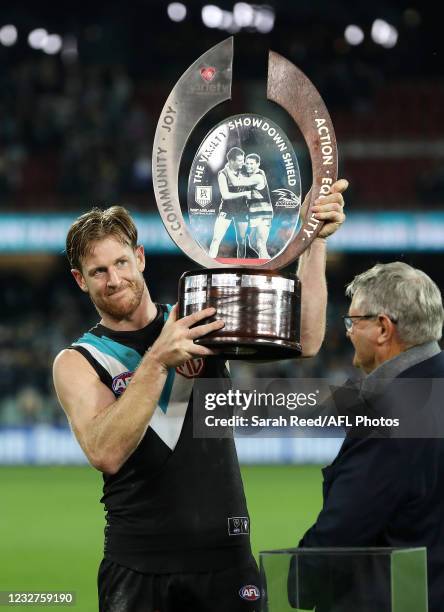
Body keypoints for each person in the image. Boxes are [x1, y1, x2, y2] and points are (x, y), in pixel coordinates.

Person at [52, 178, 347, 612]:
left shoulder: (201, 313)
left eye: (120, 262)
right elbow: (106, 452)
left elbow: (304, 339)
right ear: (80, 280)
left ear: (140, 258)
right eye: (98, 271)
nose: (114, 280)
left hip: (225, 557)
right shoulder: (78, 360)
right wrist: (156, 362)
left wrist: (314, 241)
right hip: (136, 565)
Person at [298, 262, 444, 612]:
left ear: (382, 328)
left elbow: (344, 532)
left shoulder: (388, 414)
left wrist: (295, 581)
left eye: (353, 322)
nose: (347, 332)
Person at [225, 153, 273, 259]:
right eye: (247, 163)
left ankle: (267, 270)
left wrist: (227, 169)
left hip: (263, 214)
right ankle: (268, 259)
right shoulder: (251, 175)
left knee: (260, 244)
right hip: (254, 215)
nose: (249, 166)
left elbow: (236, 183)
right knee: (253, 244)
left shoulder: (258, 177)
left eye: (252, 163)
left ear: (258, 164)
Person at [208, 147, 251, 259]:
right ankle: (210, 262)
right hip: (227, 209)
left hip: (242, 208)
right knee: (216, 238)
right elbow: (225, 195)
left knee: (241, 241)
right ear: (231, 161)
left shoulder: (246, 170)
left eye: (243, 160)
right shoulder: (222, 174)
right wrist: (244, 193)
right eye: (240, 160)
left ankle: (241, 265)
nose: (243, 162)